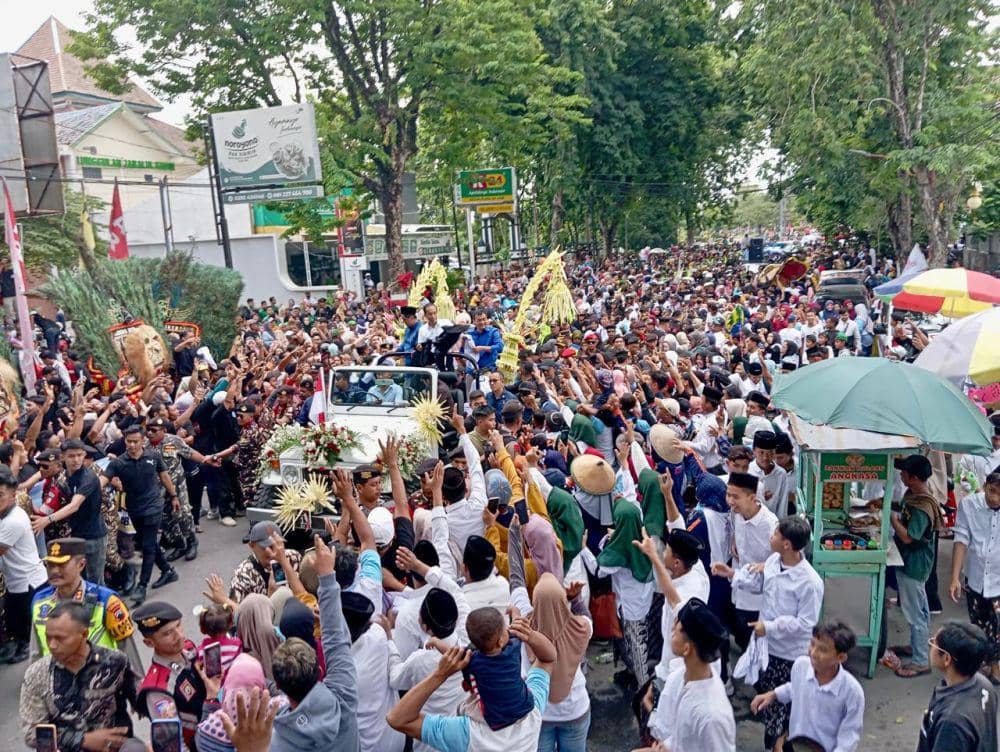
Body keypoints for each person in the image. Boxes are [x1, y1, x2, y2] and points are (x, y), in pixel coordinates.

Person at [730, 515, 824, 752]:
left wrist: (770, 627)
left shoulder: (809, 582)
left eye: (775, 535)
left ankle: (778, 743)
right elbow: (763, 586)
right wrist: (733, 576)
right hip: (767, 648)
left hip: (789, 655)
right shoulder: (773, 561)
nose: (770, 537)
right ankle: (780, 740)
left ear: (787, 544)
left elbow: (805, 623)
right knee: (771, 702)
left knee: (779, 706)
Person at [387, 624, 555, 752]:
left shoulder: (465, 733)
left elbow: (397, 719)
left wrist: (440, 674)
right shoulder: (533, 712)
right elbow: (548, 658)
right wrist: (530, 635)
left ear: (467, 686)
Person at [270, 534, 360, 751]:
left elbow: (335, 641)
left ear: (279, 687)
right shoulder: (344, 695)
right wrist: (328, 578)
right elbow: (336, 641)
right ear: (320, 669)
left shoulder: (276, 743)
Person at [19, 601, 137, 752]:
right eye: (48, 638)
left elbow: (138, 698)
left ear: (84, 634)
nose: (52, 645)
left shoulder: (116, 662)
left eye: (60, 638)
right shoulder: (36, 674)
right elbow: (32, 733)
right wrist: (83, 740)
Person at [751, 621, 865, 752]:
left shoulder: (852, 693)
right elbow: (796, 688)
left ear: (841, 657)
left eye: (822, 649)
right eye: (812, 644)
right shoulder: (801, 665)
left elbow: (849, 739)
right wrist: (773, 694)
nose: (813, 653)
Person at [640, 598, 735, 752]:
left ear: (687, 649)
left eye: (676, 629)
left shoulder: (712, 717)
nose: (671, 630)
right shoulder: (681, 675)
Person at [102, 425, 183, 605]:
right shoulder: (118, 463)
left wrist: (174, 496)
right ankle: (167, 571)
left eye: (135, 442)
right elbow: (103, 479)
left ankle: (142, 586)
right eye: (129, 441)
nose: (131, 445)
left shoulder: (153, 456)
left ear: (142, 441)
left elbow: (164, 476)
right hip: (134, 510)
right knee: (149, 543)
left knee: (147, 546)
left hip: (154, 507)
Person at [30, 537, 139, 665]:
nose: (54, 571)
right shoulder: (39, 601)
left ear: (81, 564)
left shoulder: (107, 602)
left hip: (99, 680)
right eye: (50, 565)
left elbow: (130, 657)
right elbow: (36, 654)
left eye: (62, 565)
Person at [890, 454, 944, 678]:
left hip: (915, 564)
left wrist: (891, 518)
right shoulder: (912, 496)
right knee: (917, 608)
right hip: (910, 561)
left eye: (903, 472)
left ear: (913, 477)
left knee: (915, 612)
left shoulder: (923, 506)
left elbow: (910, 537)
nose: (900, 475)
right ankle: (916, 646)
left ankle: (921, 660)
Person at [28, 439, 107, 585]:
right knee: (79, 579)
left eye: (79, 455)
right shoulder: (65, 476)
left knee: (95, 582)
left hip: (93, 536)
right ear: (63, 457)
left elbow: (74, 506)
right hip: (76, 535)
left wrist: (47, 520)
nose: (76, 460)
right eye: (71, 456)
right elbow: (47, 476)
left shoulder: (88, 478)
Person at [132, 600, 208, 748]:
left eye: (178, 625)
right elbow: (173, 745)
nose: (179, 635)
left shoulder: (189, 649)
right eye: (167, 633)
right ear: (149, 643)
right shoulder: (159, 690)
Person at [949, 471, 1000, 683]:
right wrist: (954, 577)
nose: (994, 498)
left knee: (997, 626)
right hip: (976, 576)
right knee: (978, 626)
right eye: (992, 491)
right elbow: (961, 539)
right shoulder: (969, 505)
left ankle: (995, 665)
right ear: (986, 485)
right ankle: (982, 662)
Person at [918, 621, 999, 752]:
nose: (930, 646)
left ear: (946, 659)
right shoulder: (984, 685)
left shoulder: (952, 721)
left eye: (933, 643)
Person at [0, 466, 48, 664]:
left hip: (28, 580)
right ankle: (17, 644)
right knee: (14, 617)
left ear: (13, 495)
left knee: (26, 622)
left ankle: (25, 648)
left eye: (0, 494)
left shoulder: (14, 520)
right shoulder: (4, 514)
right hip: (15, 579)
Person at [228, 521, 302, 604]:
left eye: (277, 545)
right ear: (252, 545)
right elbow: (237, 614)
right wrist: (271, 595)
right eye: (267, 547)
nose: (274, 552)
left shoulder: (293, 558)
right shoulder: (243, 576)